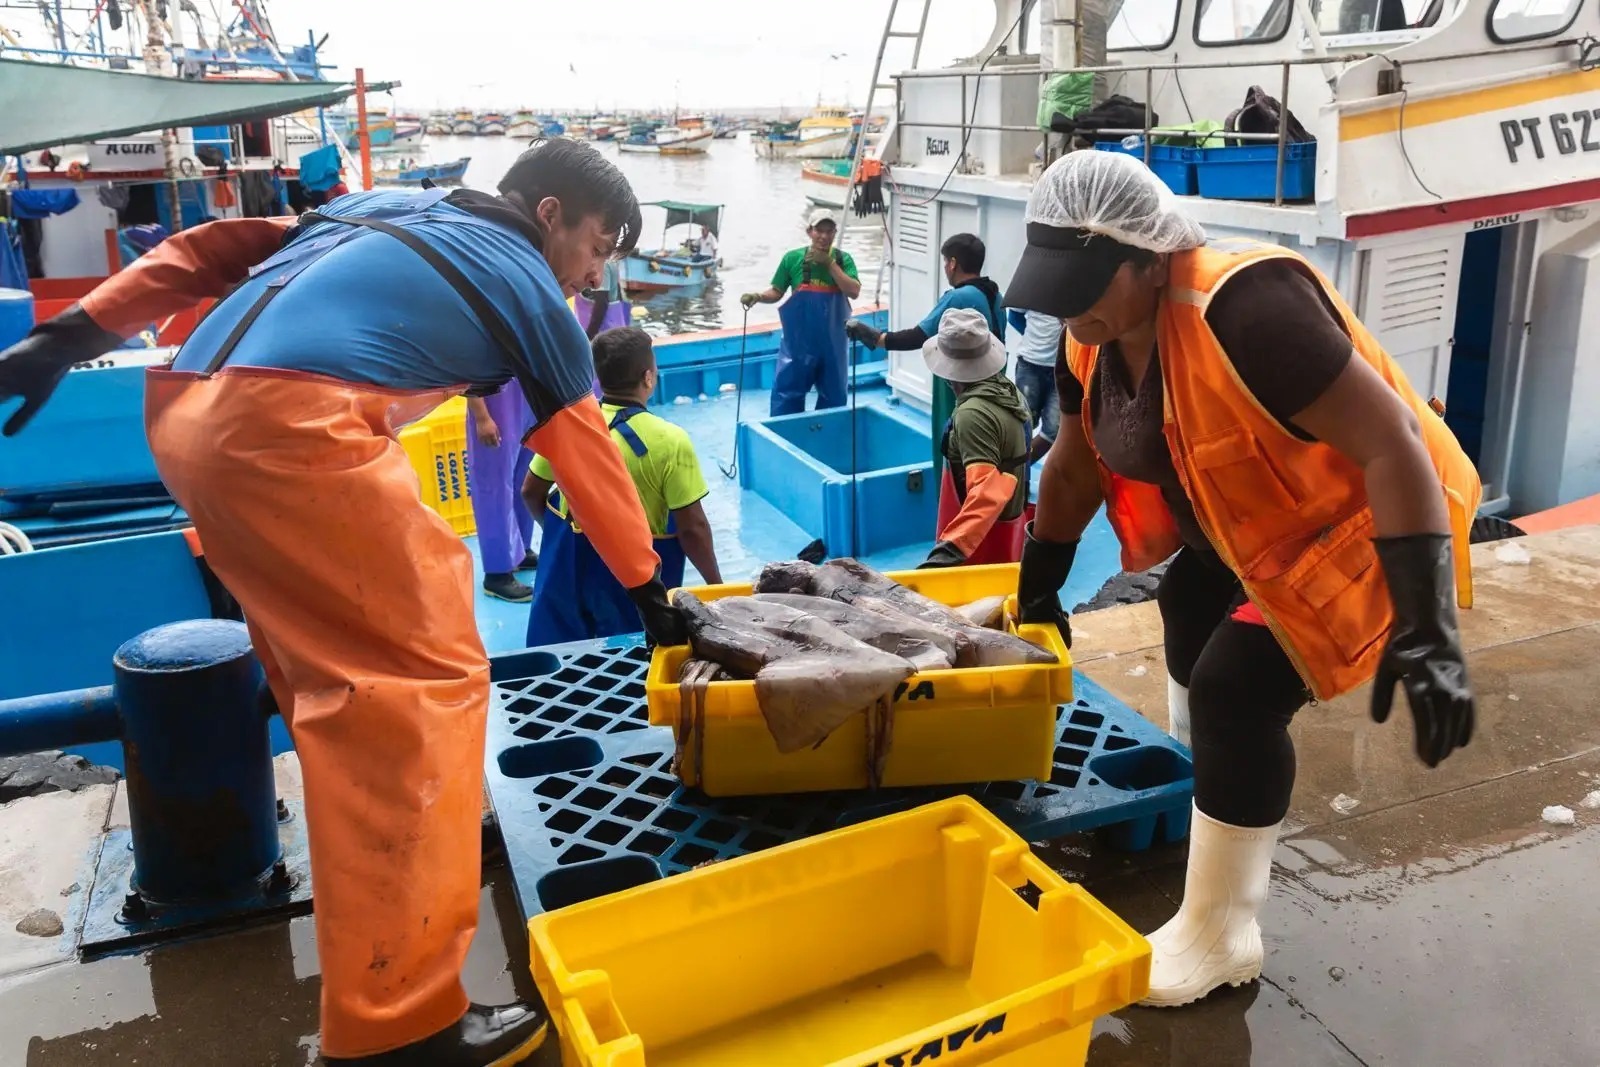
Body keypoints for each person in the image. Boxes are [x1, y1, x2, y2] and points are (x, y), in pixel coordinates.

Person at [0, 138, 686, 1067]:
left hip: (188, 413)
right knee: (417, 692)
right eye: (598, 245)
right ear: (549, 213)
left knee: (337, 692)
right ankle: (399, 1026)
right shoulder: (530, 282)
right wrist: (650, 589)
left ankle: (393, 909)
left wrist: (72, 334)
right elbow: (585, 449)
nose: (597, 272)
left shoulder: (390, 204)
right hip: (293, 428)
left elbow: (208, 249)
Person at [1008, 150, 1480, 1009]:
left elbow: (1394, 446)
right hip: (1250, 529)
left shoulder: (1247, 308)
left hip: (1375, 522)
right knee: (1186, 602)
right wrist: (1038, 579)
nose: (1066, 307)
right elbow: (1073, 466)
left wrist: (1429, 627)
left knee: (1235, 691)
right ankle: (1217, 797)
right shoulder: (1093, 337)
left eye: (1083, 284)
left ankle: (1223, 932)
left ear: (1150, 259)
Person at [523, 326, 722, 644]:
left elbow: (531, 492)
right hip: (634, 580)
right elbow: (692, 529)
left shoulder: (570, 425)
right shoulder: (670, 441)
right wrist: (716, 587)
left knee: (567, 650)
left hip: (568, 569)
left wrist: (557, 538)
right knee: (632, 652)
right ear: (648, 378)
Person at [845, 232, 1010, 552]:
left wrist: (875, 337)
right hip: (993, 381)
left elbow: (918, 336)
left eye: (946, 261)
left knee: (953, 454)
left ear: (953, 263)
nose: (945, 267)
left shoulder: (958, 297)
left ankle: (956, 532)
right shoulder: (994, 293)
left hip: (963, 384)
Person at [916, 308, 1032, 568]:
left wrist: (947, 553)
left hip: (981, 544)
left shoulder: (972, 415)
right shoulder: (1009, 393)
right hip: (1009, 529)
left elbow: (987, 492)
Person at [740, 208, 861, 416]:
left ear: (835, 233)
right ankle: (785, 430)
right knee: (787, 395)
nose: (823, 236)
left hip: (833, 347)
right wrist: (758, 296)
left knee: (834, 398)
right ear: (809, 232)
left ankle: (828, 431)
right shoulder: (792, 259)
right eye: (819, 231)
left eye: (829, 231)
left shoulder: (843, 260)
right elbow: (777, 291)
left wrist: (830, 264)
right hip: (798, 345)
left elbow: (854, 291)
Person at [466, 383, 539, 602]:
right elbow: (465, 373)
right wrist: (481, 417)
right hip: (494, 404)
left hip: (526, 400)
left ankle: (520, 549)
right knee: (493, 486)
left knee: (523, 476)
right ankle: (497, 573)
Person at [1007, 306, 1064, 461]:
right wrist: (1035, 340)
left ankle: (1017, 467)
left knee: (1053, 430)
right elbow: (1014, 316)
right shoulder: (1034, 290)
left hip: (1062, 368)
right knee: (1021, 424)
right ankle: (1013, 469)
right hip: (1030, 364)